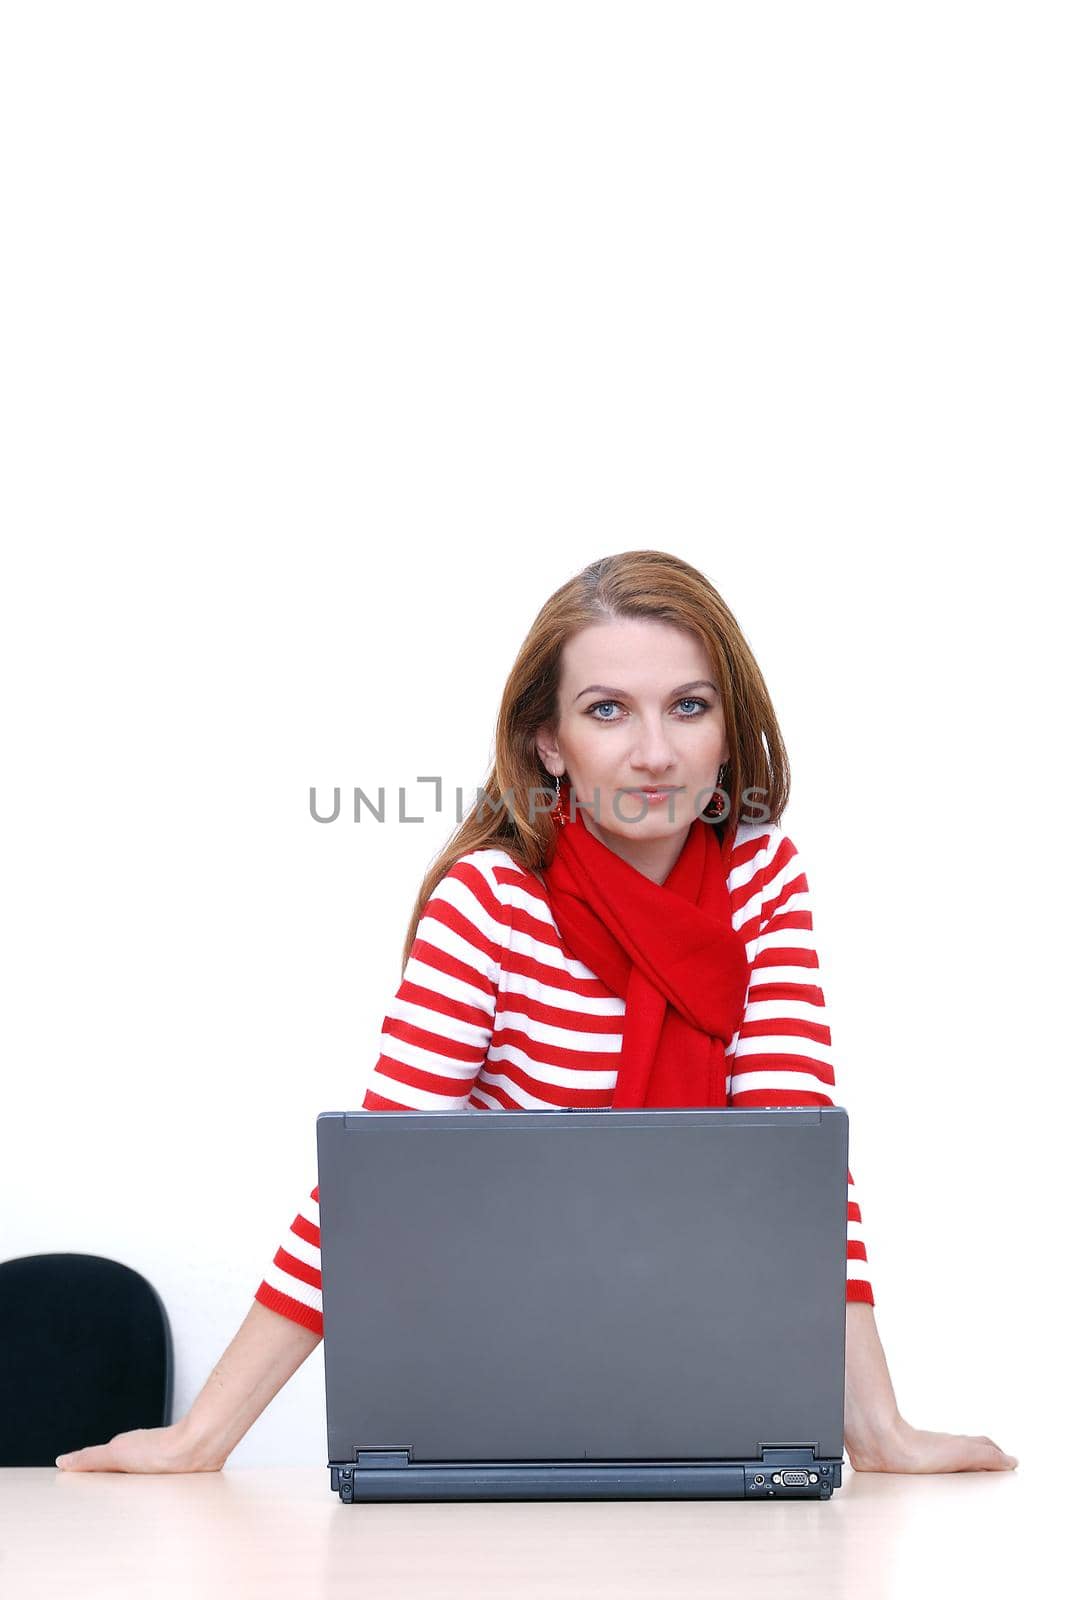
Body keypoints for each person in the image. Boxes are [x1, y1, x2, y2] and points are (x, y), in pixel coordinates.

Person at [56, 550, 1018, 1476]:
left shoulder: (762, 879)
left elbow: (798, 1169)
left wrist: (875, 1428)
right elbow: (369, 1189)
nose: (653, 753)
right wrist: (202, 1439)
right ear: (547, 742)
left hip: (708, 1384)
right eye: (608, 711)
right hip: (494, 1383)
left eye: (688, 706)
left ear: (729, 727)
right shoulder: (490, 901)